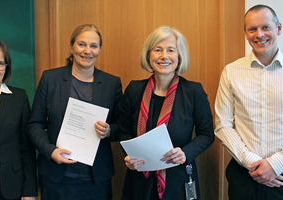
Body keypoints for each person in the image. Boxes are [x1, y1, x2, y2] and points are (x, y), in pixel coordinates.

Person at [119, 26, 214, 200]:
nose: (164, 56)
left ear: (179, 56)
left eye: (171, 50)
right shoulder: (134, 89)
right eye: (158, 50)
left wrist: (186, 153)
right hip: (139, 181)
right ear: (149, 55)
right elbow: (123, 130)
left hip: (177, 180)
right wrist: (128, 155)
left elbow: (207, 134)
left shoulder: (194, 91)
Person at [28, 24, 122, 200]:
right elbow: (35, 125)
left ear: (100, 49)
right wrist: (50, 151)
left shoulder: (112, 84)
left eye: (93, 46)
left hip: (96, 179)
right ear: (71, 47)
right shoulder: (50, 79)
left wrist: (109, 131)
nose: (87, 51)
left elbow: (121, 126)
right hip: (57, 177)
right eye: (81, 44)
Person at [215, 4, 283, 200]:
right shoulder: (231, 72)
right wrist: (255, 164)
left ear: (278, 28)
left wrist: (274, 165)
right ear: (246, 33)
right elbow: (223, 126)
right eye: (252, 29)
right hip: (243, 175)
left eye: (266, 27)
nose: (259, 34)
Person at [0, 40, 37, 200]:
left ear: (6, 67)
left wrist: (30, 191)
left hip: (13, 186)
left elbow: (27, 148)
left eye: (0, 63)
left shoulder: (19, 98)